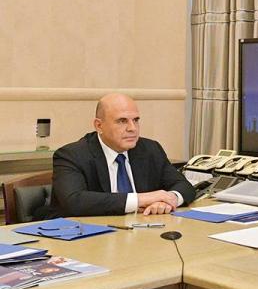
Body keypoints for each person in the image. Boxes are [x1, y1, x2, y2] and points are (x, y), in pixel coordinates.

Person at [49, 93, 196, 217]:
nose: (132, 128)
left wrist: (169, 200)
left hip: (142, 231)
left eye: (136, 120)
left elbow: (184, 186)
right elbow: (74, 201)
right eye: (122, 121)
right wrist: (141, 199)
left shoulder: (150, 149)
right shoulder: (72, 155)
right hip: (87, 234)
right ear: (99, 125)